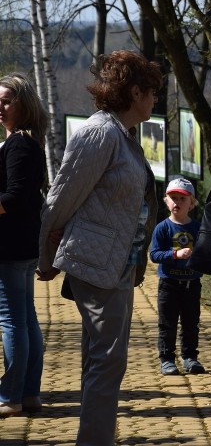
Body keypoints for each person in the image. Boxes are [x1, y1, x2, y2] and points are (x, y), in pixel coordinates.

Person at [37, 50, 161, 445]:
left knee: (102, 362)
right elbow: (61, 198)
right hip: (96, 264)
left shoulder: (124, 135)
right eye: (152, 92)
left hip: (116, 266)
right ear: (135, 91)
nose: (155, 100)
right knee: (108, 362)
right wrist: (45, 257)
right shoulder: (100, 132)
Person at [0, 74, 48, 417]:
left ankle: (11, 397)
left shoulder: (19, 143)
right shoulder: (25, 142)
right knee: (25, 319)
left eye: (5, 100)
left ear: (23, 104)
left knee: (12, 321)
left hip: (11, 245)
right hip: (23, 243)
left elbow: (15, 197)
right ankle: (29, 394)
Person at [148, 176, 205, 376]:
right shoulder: (162, 228)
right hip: (169, 284)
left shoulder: (198, 228)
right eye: (173, 198)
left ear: (192, 203)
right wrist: (174, 254)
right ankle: (166, 359)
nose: (177, 202)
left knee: (191, 323)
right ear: (166, 201)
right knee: (167, 323)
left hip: (192, 284)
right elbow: (154, 255)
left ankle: (190, 357)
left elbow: (205, 252)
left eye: (182, 199)